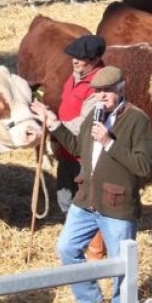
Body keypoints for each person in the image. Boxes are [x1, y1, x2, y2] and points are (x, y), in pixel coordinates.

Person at [31, 66, 152, 303]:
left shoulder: (137, 119)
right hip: (86, 200)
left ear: (121, 88)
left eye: (107, 91)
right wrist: (53, 123)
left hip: (117, 205)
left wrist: (109, 142)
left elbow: (143, 166)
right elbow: (78, 147)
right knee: (66, 248)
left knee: (121, 267)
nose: (102, 96)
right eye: (98, 91)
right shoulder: (94, 114)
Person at [55, 35, 107, 260]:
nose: (74, 61)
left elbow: (83, 125)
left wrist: (53, 126)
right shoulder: (75, 77)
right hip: (66, 150)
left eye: (81, 58)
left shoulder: (99, 87)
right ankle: (76, 239)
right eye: (73, 56)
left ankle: (95, 251)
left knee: (88, 203)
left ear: (94, 60)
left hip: (85, 154)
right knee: (65, 198)